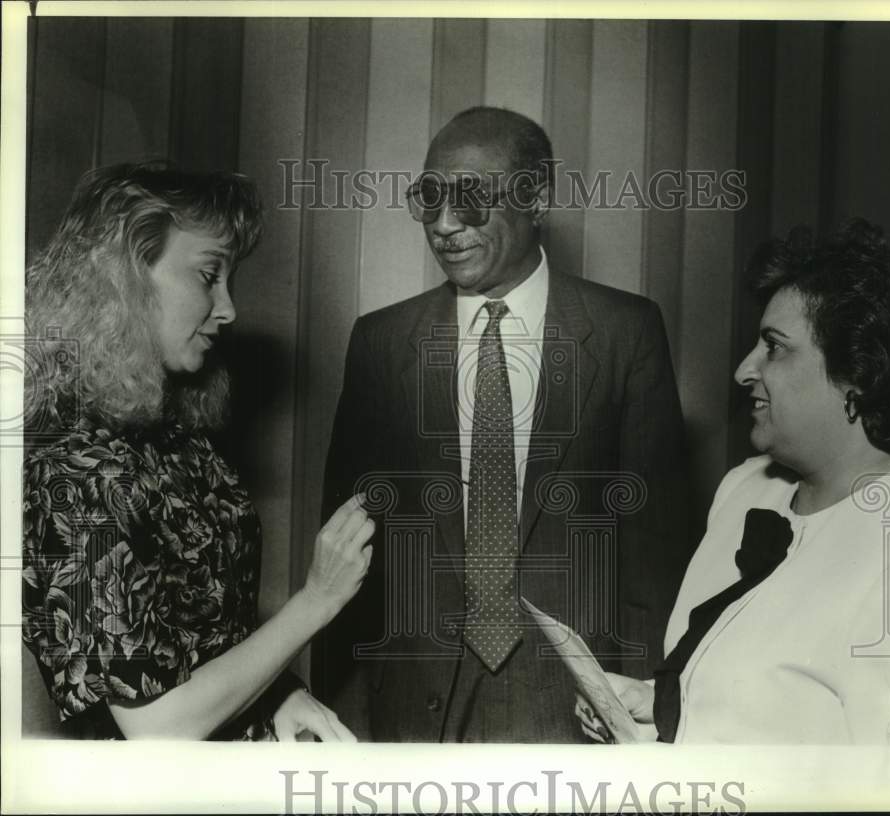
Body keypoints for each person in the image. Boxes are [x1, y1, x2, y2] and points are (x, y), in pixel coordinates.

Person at [313, 106, 692, 742]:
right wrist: (337, 718)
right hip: (409, 716)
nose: (443, 224)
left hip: (571, 715)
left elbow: (653, 556)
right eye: (428, 199)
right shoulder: (380, 342)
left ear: (536, 197)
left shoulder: (627, 332)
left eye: (467, 200)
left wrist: (644, 713)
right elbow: (345, 549)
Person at [576, 219, 890, 757]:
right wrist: (651, 705)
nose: (743, 371)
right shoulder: (745, 490)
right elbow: (759, 704)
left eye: (775, 348)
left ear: (860, 373)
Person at [21, 162, 375, 740]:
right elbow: (158, 729)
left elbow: (204, 630)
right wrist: (318, 598)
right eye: (209, 276)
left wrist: (282, 692)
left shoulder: (173, 435)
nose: (229, 307)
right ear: (125, 278)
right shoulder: (72, 473)